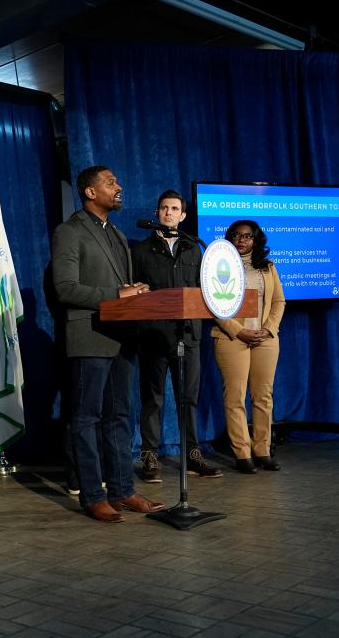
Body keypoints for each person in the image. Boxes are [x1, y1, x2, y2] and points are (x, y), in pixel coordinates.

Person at [51, 166, 164, 523]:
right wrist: (118, 293)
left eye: (117, 181)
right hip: (89, 337)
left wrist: (136, 291)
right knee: (86, 418)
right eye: (110, 183)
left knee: (119, 416)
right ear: (89, 192)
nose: (119, 187)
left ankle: (122, 490)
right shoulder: (69, 231)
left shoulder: (115, 232)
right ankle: (93, 495)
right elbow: (65, 288)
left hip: (121, 338)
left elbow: (123, 286)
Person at [132, 191, 222, 482]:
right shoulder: (141, 251)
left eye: (174, 209)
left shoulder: (194, 248)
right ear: (157, 212)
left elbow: (203, 290)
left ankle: (193, 454)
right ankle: (149, 456)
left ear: (183, 216)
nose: (169, 213)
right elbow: (133, 292)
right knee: (153, 399)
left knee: (188, 398)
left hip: (188, 335)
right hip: (154, 337)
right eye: (164, 208)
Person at [212, 220, 286, 473]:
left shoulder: (267, 267)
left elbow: (278, 301)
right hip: (232, 339)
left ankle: (262, 450)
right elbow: (213, 304)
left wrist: (269, 329)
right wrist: (239, 331)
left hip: (265, 339)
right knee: (235, 397)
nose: (242, 240)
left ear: (256, 240)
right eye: (236, 235)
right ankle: (242, 454)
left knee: (263, 397)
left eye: (247, 236)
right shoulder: (217, 265)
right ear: (229, 238)